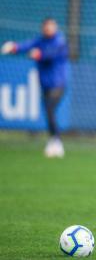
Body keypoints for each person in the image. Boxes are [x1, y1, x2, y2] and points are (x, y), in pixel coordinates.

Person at [1, 18, 69, 158]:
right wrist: (14, 47)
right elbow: (26, 46)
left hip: (58, 84)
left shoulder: (59, 41)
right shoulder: (40, 40)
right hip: (45, 84)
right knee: (48, 111)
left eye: (51, 26)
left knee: (50, 109)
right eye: (46, 27)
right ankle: (54, 141)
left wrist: (39, 54)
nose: (48, 29)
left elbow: (51, 54)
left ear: (55, 27)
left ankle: (56, 142)